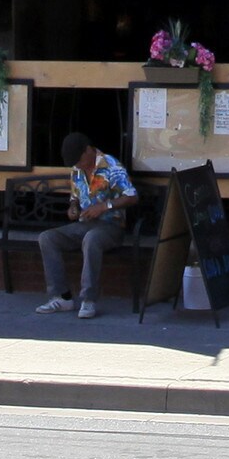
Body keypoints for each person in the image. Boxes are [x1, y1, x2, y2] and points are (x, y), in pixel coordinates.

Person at [36, 131, 138, 318]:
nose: (78, 165)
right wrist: (73, 207)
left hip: (111, 226)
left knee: (91, 239)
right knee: (47, 238)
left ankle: (88, 300)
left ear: (88, 151)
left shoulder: (112, 166)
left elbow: (132, 196)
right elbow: (75, 197)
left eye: (79, 161)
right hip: (85, 223)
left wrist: (104, 206)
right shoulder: (77, 170)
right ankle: (62, 297)